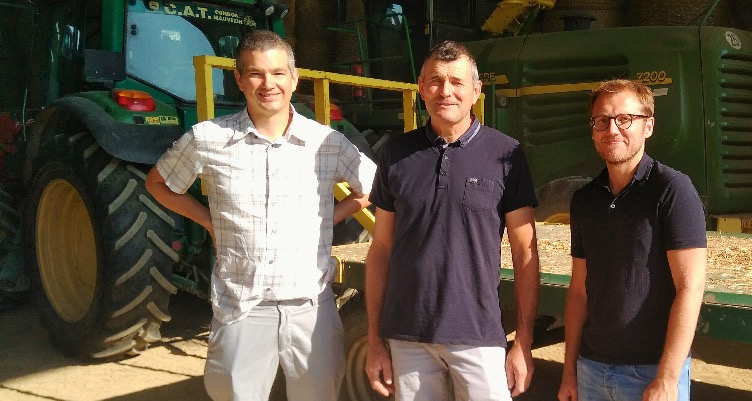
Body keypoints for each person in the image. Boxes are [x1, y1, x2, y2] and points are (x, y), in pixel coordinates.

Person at [145, 30, 376, 401]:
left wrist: (329, 218)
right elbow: (158, 183)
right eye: (255, 73)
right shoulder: (208, 138)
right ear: (239, 80)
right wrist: (206, 220)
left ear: (294, 78)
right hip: (242, 309)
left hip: (311, 310)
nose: (268, 84)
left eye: (278, 73)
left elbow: (374, 187)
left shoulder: (326, 142)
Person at [363, 40, 540, 401]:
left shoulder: (506, 154)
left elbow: (525, 253)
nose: (446, 91)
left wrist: (523, 341)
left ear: (476, 90)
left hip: (478, 334)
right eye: (436, 81)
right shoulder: (396, 154)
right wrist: (374, 338)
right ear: (421, 88)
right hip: (408, 336)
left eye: (457, 82)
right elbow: (380, 249)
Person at [557, 79, 707, 401]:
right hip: (591, 370)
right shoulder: (584, 200)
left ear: (648, 126)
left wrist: (667, 379)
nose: (612, 129)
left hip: (650, 373)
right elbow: (579, 291)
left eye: (624, 119)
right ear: (593, 129)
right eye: (602, 120)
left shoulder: (672, 190)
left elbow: (690, 287)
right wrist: (570, 371)